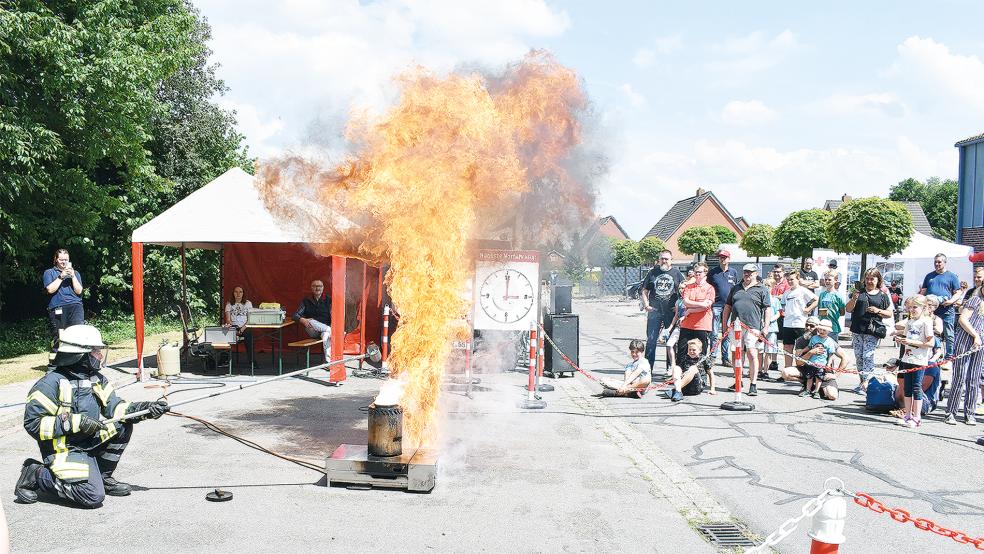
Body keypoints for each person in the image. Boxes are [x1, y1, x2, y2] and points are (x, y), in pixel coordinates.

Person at [15, 325, 168, 507]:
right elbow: (33, 424)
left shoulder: (96, 379)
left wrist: (146, 409)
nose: (100, 355)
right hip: (64, 448)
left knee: (123, 424)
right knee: (92, 495)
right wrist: (74, 422)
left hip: (87, 441)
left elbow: (116, 409)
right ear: (80, 354)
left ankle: (103, 477)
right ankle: (35, 474)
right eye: (96, 350)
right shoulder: (49, 383)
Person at [722, 263, 770, 396]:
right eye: (745, 272)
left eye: (750, 272)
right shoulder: (736, 288)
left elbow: (767, 309)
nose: (747, 274)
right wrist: (724, 324)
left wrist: (765, 327)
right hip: (735, 326)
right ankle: (738, 380)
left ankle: (753, 384)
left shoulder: (762, 289)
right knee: (736, 353)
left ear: (756, 274)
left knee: (751, 352)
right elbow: (727, 306)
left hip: (752, 326)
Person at [846, 268, 892, 394]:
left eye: (872, 279)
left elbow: (889, 313)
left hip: (872, 330)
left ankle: (867, 384)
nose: (869, 281)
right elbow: (848, 309)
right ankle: (862, 383)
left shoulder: (882, 295)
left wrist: (878, 311)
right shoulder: (858, 292)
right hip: (857, 329)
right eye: (867, 279)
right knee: (859, 357)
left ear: (878, 280)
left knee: (868, 356)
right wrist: (854, 299)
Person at [944, 282, 984, 425]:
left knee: (974, 378)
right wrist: (975, 335)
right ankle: (951, 412)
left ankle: (970, 413)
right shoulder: (976, 299)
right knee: (960, 377)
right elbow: (962, 319)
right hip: (965, 340)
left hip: (980, 343)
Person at [892, 295, 934, 428]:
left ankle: (917, 417)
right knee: (907, 388)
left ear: (923, 307)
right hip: (907, 358)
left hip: (919, 360)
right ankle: (908, 414)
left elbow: (930, 342)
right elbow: (906, 336)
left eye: (915, 307)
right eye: (910, 307)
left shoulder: (926, 322)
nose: (912, 310)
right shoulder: (909, 322)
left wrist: (911, 342)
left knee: (917, 387)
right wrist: (900, 339)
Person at [641, 250, 684, 372]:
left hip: (670, 313)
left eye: (667, 258)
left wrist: (679, 306)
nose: (664, 261)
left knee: (671, 341)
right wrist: (646, 305)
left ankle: (670, 368)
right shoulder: (652, 273)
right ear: (659, 260)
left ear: (671, 260)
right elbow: (644, 290)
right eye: (662, 258)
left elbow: (684, 289)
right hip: (654, 312)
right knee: (651, 340)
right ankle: (648, 368)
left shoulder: (677, 274)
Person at [42, 249, 85, 369]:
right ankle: (54, 366)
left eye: (66, 260)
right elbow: (50, 290)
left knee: (77, 335)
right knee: (59, 337)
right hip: (58, 307)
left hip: (76, 306)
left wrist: (72, 277)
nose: (64, 262)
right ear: (56, 259)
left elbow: (79, 291)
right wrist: (61, 277)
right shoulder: (49, 272)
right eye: (61, 259)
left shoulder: (75, 273)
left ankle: (76, 363)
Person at [679, 262, 716, 393]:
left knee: (702, 354)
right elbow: (686, 301)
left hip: (702, 324)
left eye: (700, 272)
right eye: (696, 272)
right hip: (687, 324)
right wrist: (695, 307)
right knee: (683, 352)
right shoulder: (689, 287)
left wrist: (690, 310)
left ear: (705, 273)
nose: (697, 274)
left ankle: (703, 379)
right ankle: (682, 380)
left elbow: (707, 305)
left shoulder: (710, 288)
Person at [920, 254, 961, 359]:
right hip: (931, 310)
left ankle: (949, 356)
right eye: (935, 262)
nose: (937, 264)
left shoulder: (952, 276)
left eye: (939, 262)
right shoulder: (929, 276)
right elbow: (923, 292)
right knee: (931, 331)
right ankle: (935, 354)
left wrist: (951, 301)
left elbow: (958, 292)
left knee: (949, 334)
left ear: (944, 262)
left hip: (946, 309)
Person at [780, 271, 818, 377]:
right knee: (787, 347)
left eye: (792, 279)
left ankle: (803, 371)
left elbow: (816, 300)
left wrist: (808, 309)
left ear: (798, 279)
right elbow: (783, 305)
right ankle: (787, 372)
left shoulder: (803, 290)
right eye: (788, 280)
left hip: (800, 323)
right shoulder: (786, 292)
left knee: (801, 348)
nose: (790, 281)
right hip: (787, 323)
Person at [798, 320, 846, 398]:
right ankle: (808, 390)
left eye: (824, 330)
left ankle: (816, 391)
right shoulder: (814, 338)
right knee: (809, 377)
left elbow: (831, 354)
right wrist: (803, 351)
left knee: (818, 378)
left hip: (821, 364)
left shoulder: (829, 341)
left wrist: (828, 363)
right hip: (811, 362)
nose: (822, 331)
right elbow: (809, 347)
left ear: (828, 331)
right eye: (820, 329)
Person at [707, 249, 739, 367]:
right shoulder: (713, 272)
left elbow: (735, 288)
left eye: (725, 257)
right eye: (720, 257)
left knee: (726, 333)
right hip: (716, 305)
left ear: (729, 259)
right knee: (714, 334)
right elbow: (708, 288)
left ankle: (725, 358)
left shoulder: (734, 272)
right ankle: (713, 357)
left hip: (729, 306)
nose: (722, 259)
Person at [294, 280, 332, 357]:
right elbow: (295, 315)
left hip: (325, 328)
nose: (317, 288)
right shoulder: (306, 300)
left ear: (323, 288)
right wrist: (302, 320)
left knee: (326, 335)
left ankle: (328, 362)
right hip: (312, 330)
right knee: (311, 321)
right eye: (315, 286)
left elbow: (333, 315)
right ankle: (331, 330)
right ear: (311, 288)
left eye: (320, 286)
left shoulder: (329, 300)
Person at [224, 285, 254, 364]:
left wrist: (241, 329)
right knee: (224, 333)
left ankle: (252, 361)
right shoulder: (229, 304)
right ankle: (224, 359)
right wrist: (235, 329)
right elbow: (228, 320)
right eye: (236, 292)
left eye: (240, 292)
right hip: (233, 327)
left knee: (249, 335)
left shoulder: (248, 303)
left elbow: (250, 319)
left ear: (243, 293)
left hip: (245, 327)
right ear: (233, 293)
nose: (238, 294)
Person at [761, 277, 782, 381]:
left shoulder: (775, 300)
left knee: (769, 351)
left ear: (773, 287)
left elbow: (778, 313)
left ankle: (765, 370)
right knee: (759, 350)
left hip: (772, 328)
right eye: (765, 285)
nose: (766, 287)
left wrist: (770, 320)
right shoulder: (760, 298)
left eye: (769, 286)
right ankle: (759, 370)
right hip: (761, 327)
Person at [817, 270, 846, 343]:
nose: (827, 281)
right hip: (822, 326)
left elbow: (842, 312)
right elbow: (819, 310)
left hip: (833, 327)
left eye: (829, 280)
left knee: (832, 348)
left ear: (835, 280)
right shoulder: (822, 294)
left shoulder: (838, 296)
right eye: (825, 279)